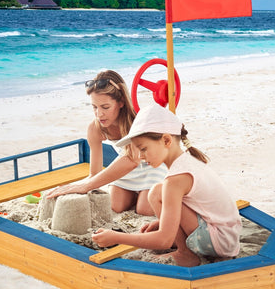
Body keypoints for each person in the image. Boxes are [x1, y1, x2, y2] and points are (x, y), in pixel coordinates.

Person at [92, 104, 241, 267]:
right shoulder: (186, 162)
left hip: (218, 240)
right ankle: (184, 247)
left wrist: (115, 237)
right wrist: (162, 222)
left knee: (157, 193)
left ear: (166, 140)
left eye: (143, 149)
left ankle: (185, 254)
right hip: (227, 236)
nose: (141, 156)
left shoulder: (176, 179)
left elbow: (164, 240)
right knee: (158, 192)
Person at [47, 70, 167, 216]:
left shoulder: (136, 120)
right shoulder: (95, 128)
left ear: (121, 102)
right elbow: (94, 174)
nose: (99, 114)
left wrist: (86, 186)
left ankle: (147, 194)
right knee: (115, 206)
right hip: (128, 171)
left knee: (144, 210)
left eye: (105, 107)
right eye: (94, 107)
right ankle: (140, 194)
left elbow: (132, 159)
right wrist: (74, 186)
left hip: (152, 167)